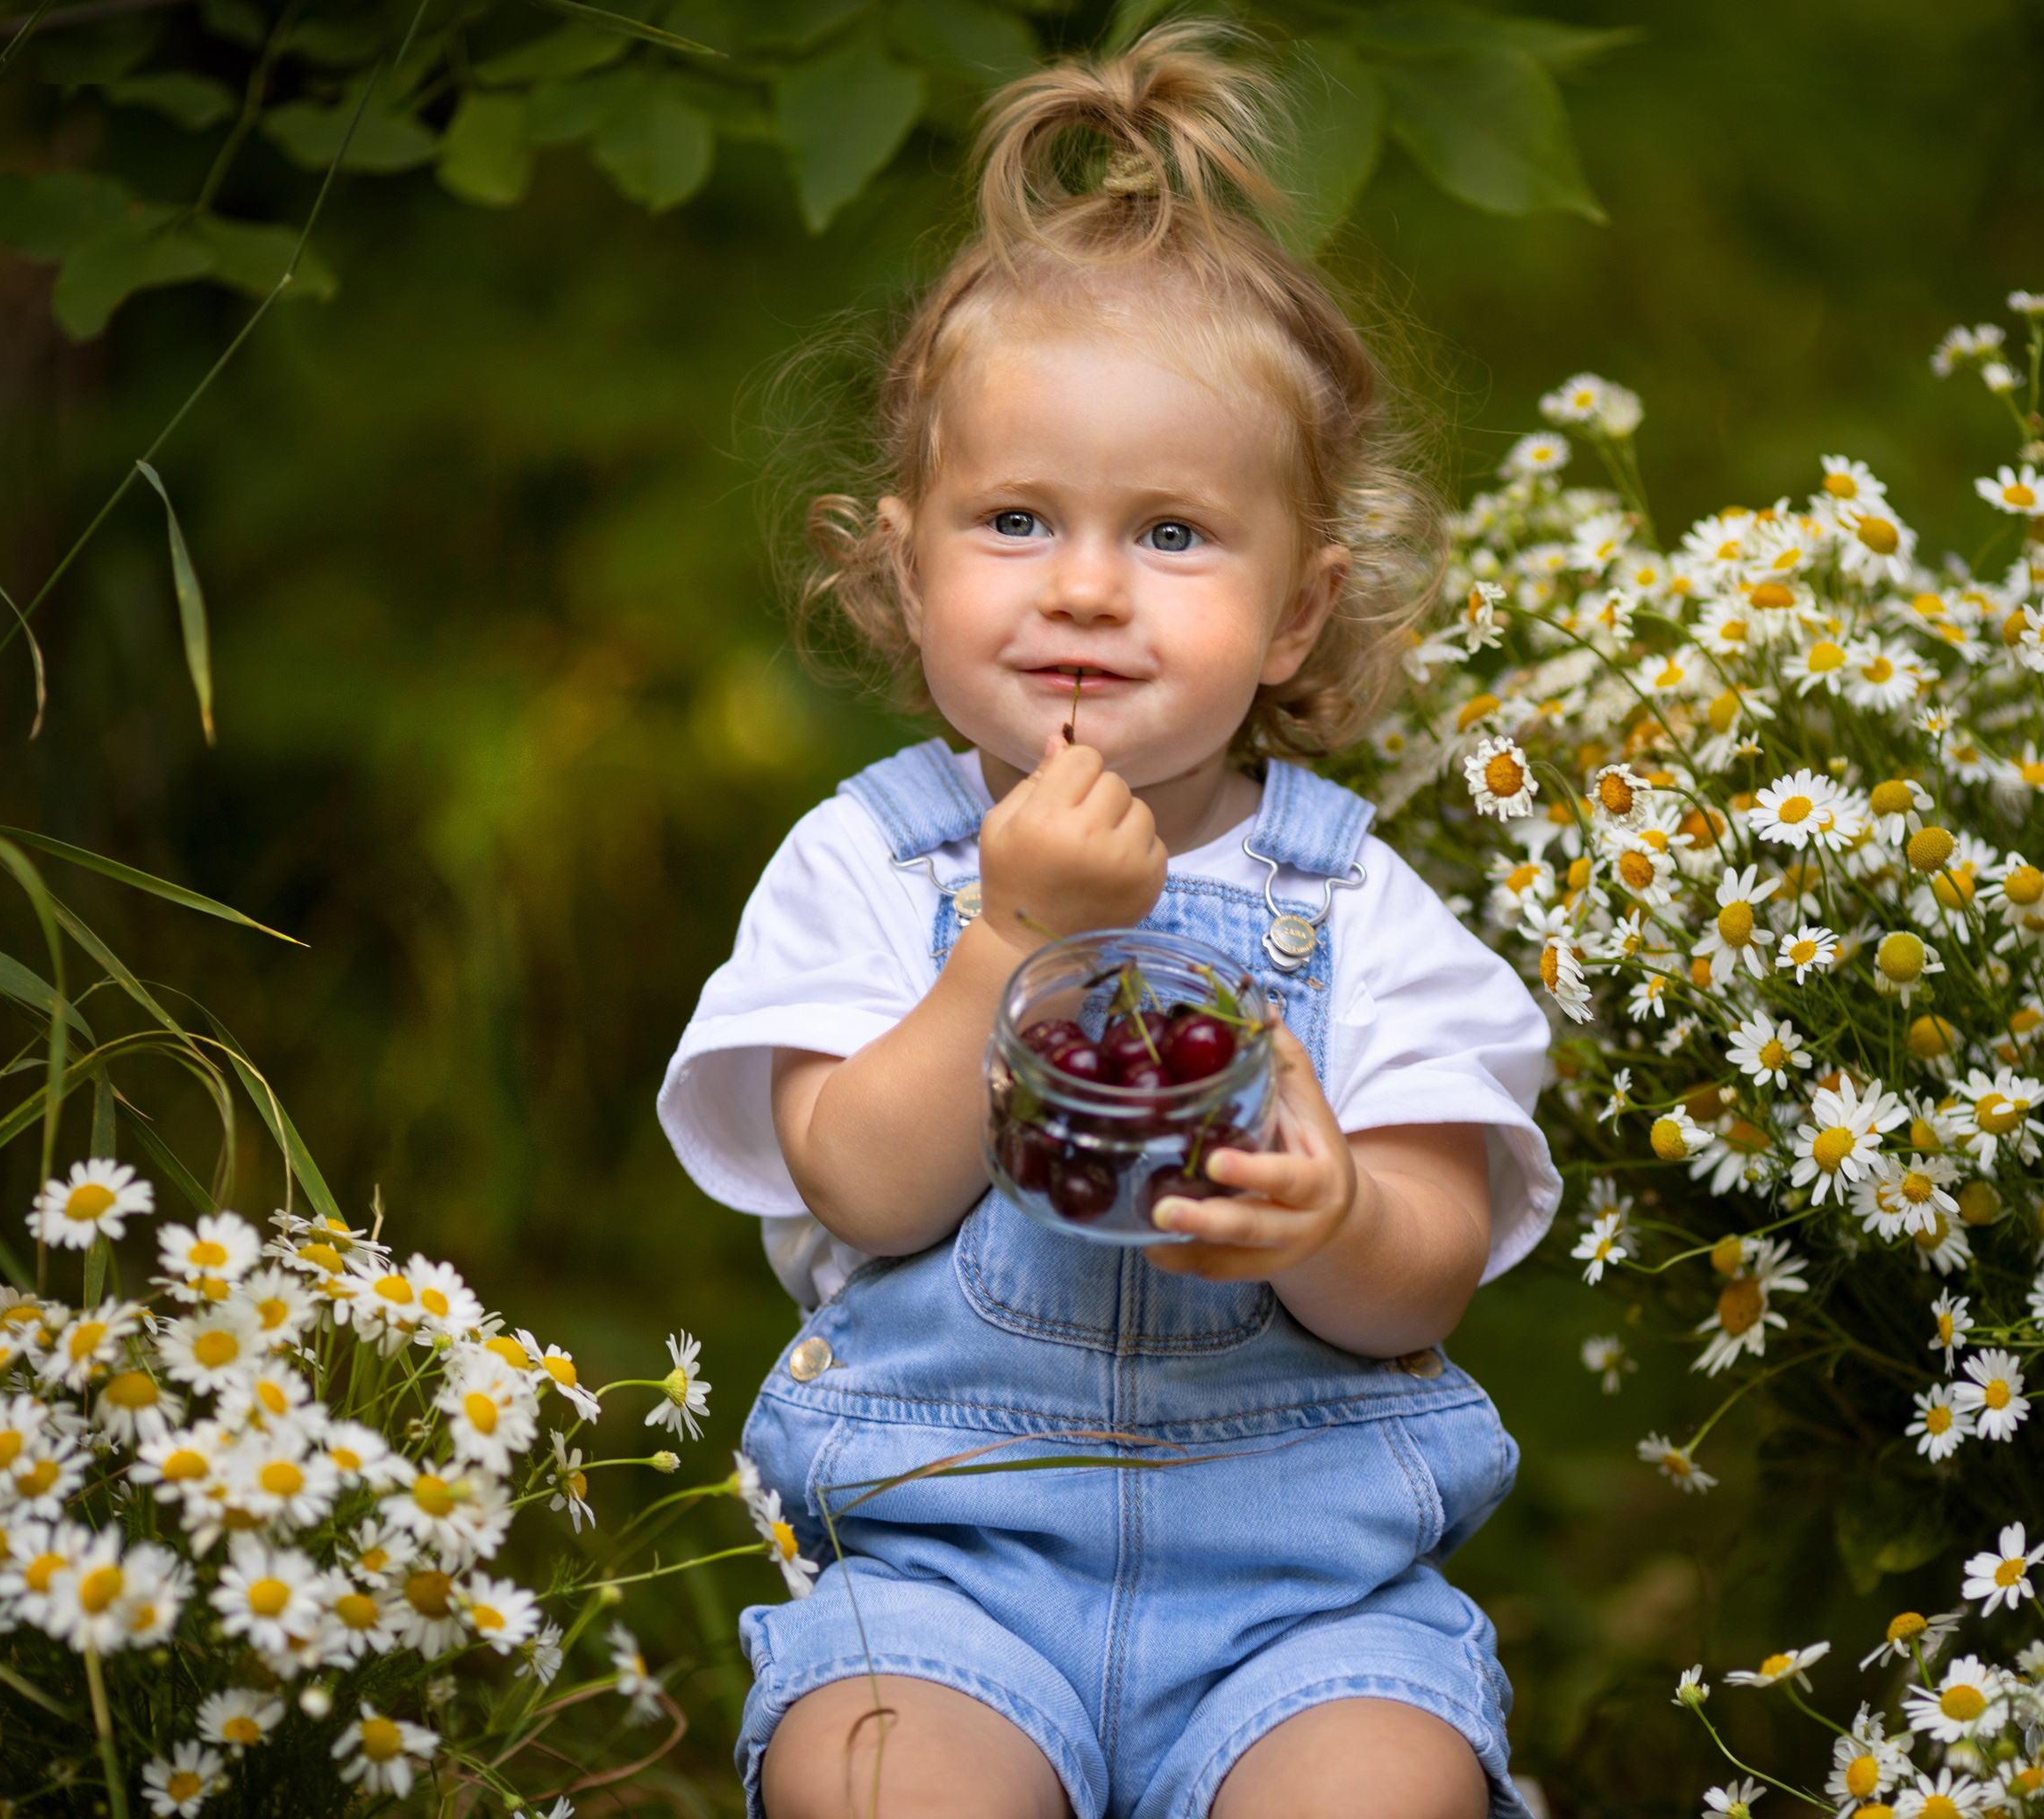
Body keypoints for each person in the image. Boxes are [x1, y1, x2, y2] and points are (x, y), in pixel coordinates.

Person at [658, 24, 1557, 1819]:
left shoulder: (1350, 894)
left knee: (1377, 1789)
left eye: (1167, 533)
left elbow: (1428, 1265)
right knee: (886, 1782)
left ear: (1294, 614)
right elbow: (857, 1179)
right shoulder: (869, 865)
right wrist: (1000, 940)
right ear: (905, 566)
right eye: (1012, 520)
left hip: (1302, 1598)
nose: (1080, 585)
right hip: (944, 1575)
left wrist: (1338, 1209)